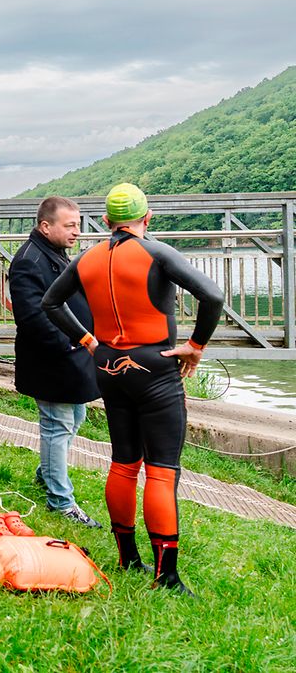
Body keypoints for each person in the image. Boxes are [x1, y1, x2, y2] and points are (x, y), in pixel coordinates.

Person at [43, 183, 223, 595]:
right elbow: (212, 296)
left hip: (108, 365)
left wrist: (89, 342)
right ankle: (166, 575)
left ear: (105, 222)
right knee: (161, 470)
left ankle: (128, 557)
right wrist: (195, 347)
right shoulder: (156, 252)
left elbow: (51, 303)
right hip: (155, 368)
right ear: (148, 217)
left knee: (124, 463)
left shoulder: (87, 257)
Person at [9, 196, 101, 527]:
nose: (77, 231)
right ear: (46, 227)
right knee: (57, 425)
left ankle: (47, 473)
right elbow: (32, 317)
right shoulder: (29, 261)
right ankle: (61, 501)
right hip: (51, 360)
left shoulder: (53, 253)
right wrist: (72, 344)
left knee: (74, 418)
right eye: (70, 225)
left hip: (68, 357)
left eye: (78, 224)